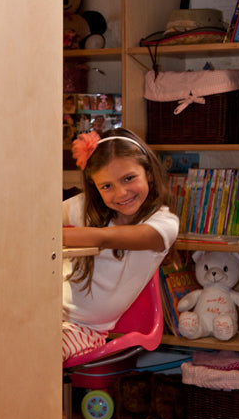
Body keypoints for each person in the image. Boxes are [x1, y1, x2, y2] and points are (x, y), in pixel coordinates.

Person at [61, 128, 179, 361]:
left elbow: (104, 238)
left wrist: (50, 236)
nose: (121, 193)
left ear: (149, 173)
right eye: (106, 186)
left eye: (128, 178)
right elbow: (36, 220)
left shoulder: (164, 224)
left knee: (32, 357)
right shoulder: (84, 207)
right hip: (40, 310)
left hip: (84, 330)